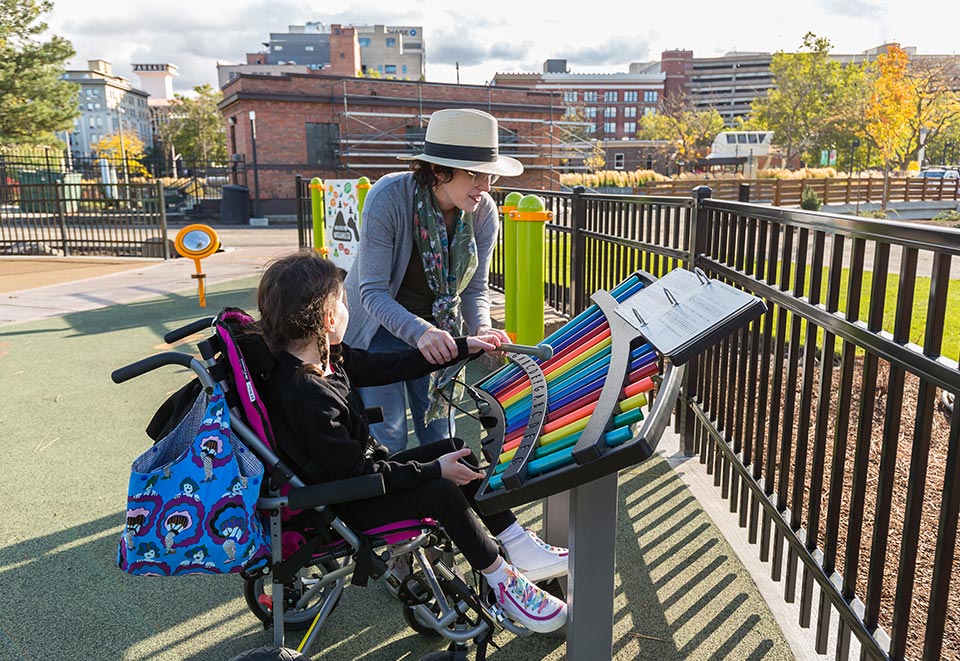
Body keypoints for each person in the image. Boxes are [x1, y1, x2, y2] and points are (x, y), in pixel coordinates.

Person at [255, 251, 568, 634]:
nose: (349, 310)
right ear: (328, 319)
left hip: (360, 480)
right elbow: (355, 473)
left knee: (456, 448)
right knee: (442, 489)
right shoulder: (305, 392)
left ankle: (515, 542)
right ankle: (502, 580)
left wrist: (464, 345)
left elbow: (395, 365)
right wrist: (433, 470)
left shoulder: (326, 358)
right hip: (343, 504)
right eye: (345, 302)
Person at [344, 108, 517, 453]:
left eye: (491, 176)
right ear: (438, 170)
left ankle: (434, 507)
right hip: (378, 331)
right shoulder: (389, 198)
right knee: (388, 436)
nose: (485, 187)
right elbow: (372, 292)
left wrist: (481, 327)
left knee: (440, 434)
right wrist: (420, 332)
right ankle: (395, 508)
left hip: (441, 328)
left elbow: (474, 288)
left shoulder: (483, 212)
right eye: (475, 174)